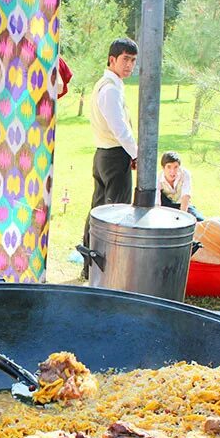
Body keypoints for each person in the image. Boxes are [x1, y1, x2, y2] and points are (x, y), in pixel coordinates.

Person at [80, 38, 138, 279]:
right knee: (113, 214)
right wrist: (136, 154)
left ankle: (90, 265)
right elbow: (120, 129)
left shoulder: (108, 85)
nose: (129, 66)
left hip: (105, 154)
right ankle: (101, 267)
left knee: (99, 210)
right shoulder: (110, 89)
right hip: (113, 156)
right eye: (125, 59)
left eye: (133, 61)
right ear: (112, 59)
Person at [155, 151, 204, 221]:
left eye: (176, 167)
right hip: (165, 206)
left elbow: (186, 196)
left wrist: (182, 217)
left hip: (182, 205)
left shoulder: (185, 174)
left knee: (199, 220)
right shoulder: (158, 178)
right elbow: (157, 202)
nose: (172, 171)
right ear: (163, 168)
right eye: (169, 167)